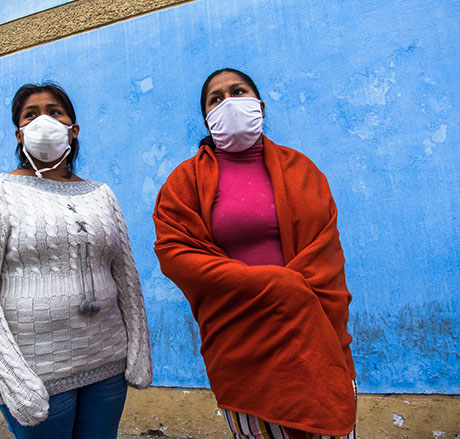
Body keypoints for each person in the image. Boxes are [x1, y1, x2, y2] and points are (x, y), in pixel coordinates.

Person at [152, 69, 356, 439]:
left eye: (238, 91)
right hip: (242, 344)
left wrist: (289, 292)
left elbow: (326, 254)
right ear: (207, 119)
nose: (228, 102)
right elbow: (175, 252)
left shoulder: (304, 172)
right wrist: (276, 285)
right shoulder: (185, 183)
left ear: (259, 105)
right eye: (216, 99)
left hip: (316, 337)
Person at [0, 82, 152, 439]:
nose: (43, 120)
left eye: (54, 111)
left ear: (73, 129)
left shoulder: (101, 194)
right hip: (37, 373)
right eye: (31, 114)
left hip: (107, 367)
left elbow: (126, 277)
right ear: (19, 134)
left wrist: (139, 351)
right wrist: (15, 379)